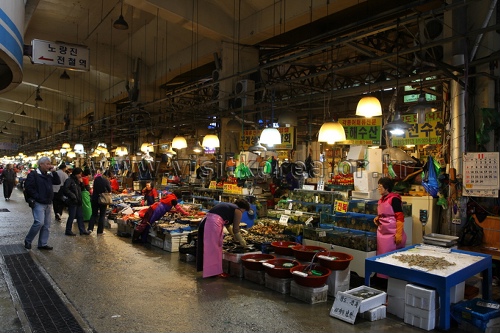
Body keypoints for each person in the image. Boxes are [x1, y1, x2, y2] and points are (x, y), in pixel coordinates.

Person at [196, 199, 249, 278]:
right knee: (214, 249)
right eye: (244, 211)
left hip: (206, 221)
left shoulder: (229, 206)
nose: (243, 212)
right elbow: (236, 229)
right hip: (213, 224)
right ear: (243, 208)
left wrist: (233, 236)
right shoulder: (238, 211)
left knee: (208, 248)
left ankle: (210, 270)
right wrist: (241, 240)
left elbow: (228, 226)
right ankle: (214, 272)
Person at [373, 177, 406, 282]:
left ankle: (390, 281)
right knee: (382, 257)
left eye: (380, 186)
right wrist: (378, 218)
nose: (378, 188)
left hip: (392, 233)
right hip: (382, 232)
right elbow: (384, 214)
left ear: (387, 188)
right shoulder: (381, 200)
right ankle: (381, 280)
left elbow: (400, 217)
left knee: (390, 259)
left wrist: (399, 233)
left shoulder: (394, 199)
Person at [23, 157, 61, 250]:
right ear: (41, 164)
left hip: (48, 203)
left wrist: (54, 171)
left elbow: (57, 182)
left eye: (50, 164)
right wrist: (38, 197)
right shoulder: (33, 175)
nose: (49, 165)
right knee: (39, 222)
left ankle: (42, 244)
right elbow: (28, 187)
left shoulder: (48, 175)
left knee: (46, 225)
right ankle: (28, 240)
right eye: (47, 164)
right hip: (38, 203)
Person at [61, 167, 91, 236]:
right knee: (72, 216)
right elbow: (66, 189)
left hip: (78, 201)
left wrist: (81, 183)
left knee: (80, 216)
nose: (80, 175)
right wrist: (72, 196)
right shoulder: (69, 180)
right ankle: (68, 230)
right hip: (73, 201)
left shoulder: (77, 181)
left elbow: (83, 189)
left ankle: (82, 230)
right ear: (76, 174)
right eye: (79, 174)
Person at [87, 168, 111, 235]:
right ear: (107, 176)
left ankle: (90, 229)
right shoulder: (106, 180)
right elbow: (110, 190)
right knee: (102, 215)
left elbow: (94, 188)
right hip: (102, 199)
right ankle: (100, 231)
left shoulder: (96, 179)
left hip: (94, 198)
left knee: (94, 214)